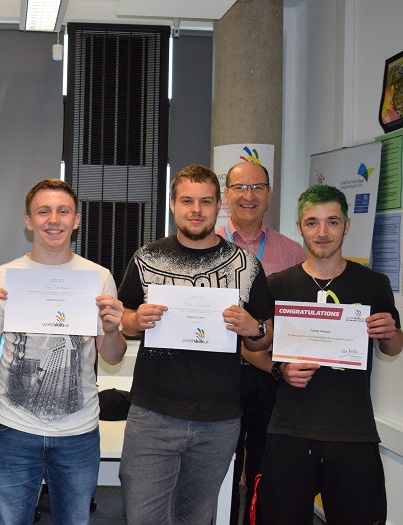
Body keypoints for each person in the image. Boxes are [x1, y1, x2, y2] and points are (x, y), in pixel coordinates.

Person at [117, 164, 274, 525]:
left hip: (217, 420)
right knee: (143, 518)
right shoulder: (146, 258)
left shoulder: (247, 265)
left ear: (219, 205)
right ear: (173, 204)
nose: (196, 209)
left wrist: (253, 327)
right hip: (153, 415)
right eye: (187, 200)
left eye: (205, 201)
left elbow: (265, 336)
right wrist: (134, 320)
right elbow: (123, 321)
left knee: (197, 518)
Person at [0, 178, 128, 525]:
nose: (53, 219)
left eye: (63, 211)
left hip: (79, 432)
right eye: (43, 211)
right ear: (28, 220)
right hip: (13, 429)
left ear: (77, 219)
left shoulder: (97, 277)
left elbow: (112, 357)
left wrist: (113, 329)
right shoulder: (3, 276)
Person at [256, 184, 402, 524]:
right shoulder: (277, 285)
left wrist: (391, 333)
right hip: (290, 431)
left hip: (353, 432)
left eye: (332, 222)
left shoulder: (373, 284)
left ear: (347, 226)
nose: (322, 233)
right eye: (312, 222)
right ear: (299, 227)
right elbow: (251, 349)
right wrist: (280, 370)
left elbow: (392, 346)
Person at [215, 160, 305, 524]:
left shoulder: (292, 252)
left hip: (270, 375)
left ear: (269, 194)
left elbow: (297, 322)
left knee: (263, 473)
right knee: (218, 469)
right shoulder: (210, 245)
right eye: (239, 187)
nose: (248, 196)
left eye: (257, 188)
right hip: (217, 376)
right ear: (226, 195)